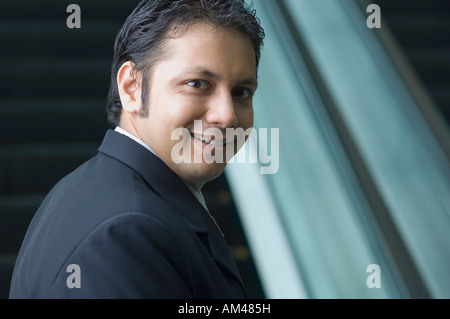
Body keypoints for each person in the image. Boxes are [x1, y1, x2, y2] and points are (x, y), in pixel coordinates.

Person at [9, 0, 264, 298]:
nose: (228, 115)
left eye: (241, 93)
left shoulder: (100, 191)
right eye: (198, 84)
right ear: (131, 87)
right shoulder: (126, 232)